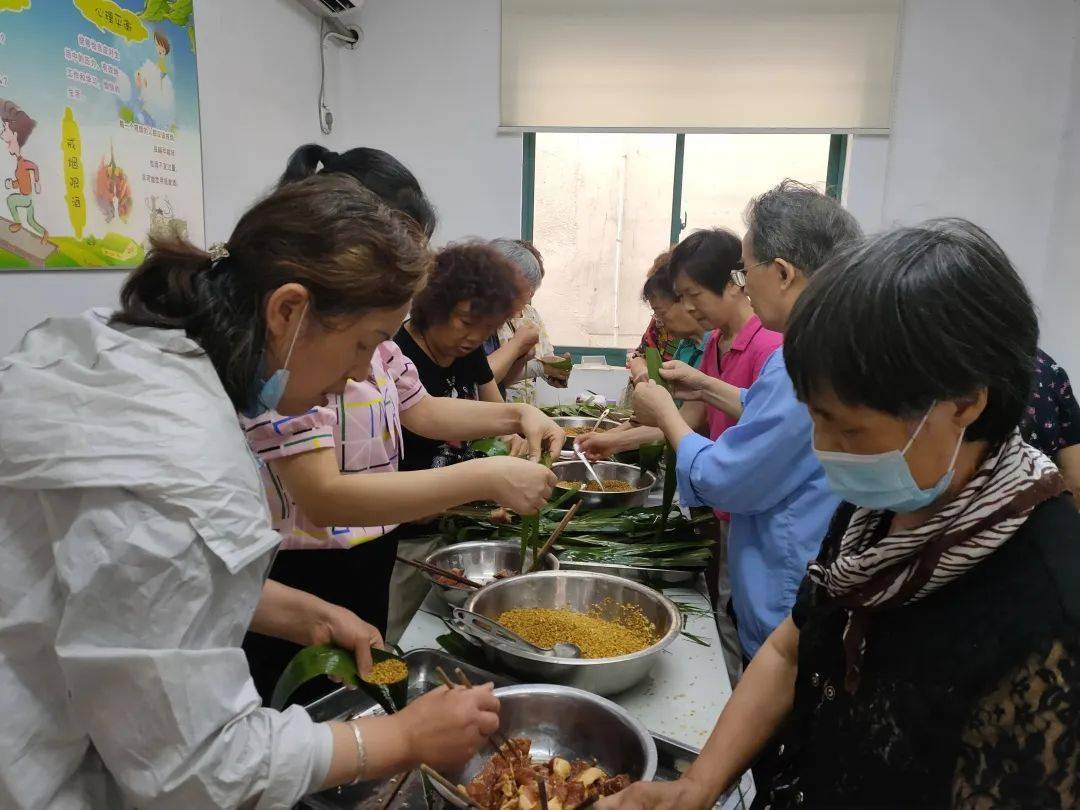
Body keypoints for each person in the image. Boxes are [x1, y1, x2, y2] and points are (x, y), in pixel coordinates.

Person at [0, 175, 502, 807]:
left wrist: (303, 612)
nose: (356, 376)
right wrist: (399, 738)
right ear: (288, 310)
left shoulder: (123, 347)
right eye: (363, 345)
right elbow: (201, 768)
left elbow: (112, 577)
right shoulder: (185, 463)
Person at [602, 219, 1080, 809]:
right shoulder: (875, 510)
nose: (827, 454)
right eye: (815, 421)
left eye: (848, 428)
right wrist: (699, 784)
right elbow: (791, 645)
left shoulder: (1048, 610)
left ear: (964, 404)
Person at [241, 146, 562, 702]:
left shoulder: (363, 343)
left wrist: (518, 411)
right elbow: (325, 496)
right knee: (302, 705)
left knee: (351, 695)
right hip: (302, 570)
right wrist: (486, 477)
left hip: (368, 553)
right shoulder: (290, 353)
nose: (364, 365)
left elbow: (425, 410)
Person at [631, 181, 862, 661]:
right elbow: (773, 415)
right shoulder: (833, 341)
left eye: (744, 268)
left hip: (788, 572)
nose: (742, 282)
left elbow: (725, 476)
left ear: (781, 272)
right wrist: (707, 385)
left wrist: (666, 413)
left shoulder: (801, 356)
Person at [581, 229, 780, 680]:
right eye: (682, 296)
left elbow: (730, 432)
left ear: (735, 282)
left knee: (754, 628)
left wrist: (665, 408)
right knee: (731, 613)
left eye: (692, 295)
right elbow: (694, 419)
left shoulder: (771, 348)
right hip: (728, 504)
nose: (687, 308)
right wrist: (617, 441)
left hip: (749, 504)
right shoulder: (714, 343)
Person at [389, 242, 534, 638]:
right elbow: (428, 414)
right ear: (432, 305)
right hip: (405, 535)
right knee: (398, 633)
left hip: (451, 523)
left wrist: (514, 436)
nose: (473, 338)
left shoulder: (465, 351)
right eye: (464, 322)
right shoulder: (397, 356)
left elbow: (494, 414)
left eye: (487, 329)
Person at [484, 239, 570, 402]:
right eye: (525, 289)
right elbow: (482, 380)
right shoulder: (485, 319)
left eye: (532, 289)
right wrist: (538, 365)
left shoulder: (530, 315)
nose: (530, 295)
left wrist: (555, 370)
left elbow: (488, 383)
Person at [1022, 348, 1080, 507]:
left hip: (974, 515)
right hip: (1049, 512)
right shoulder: (1045, 366)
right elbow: (1076, 480)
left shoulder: (961, 370)